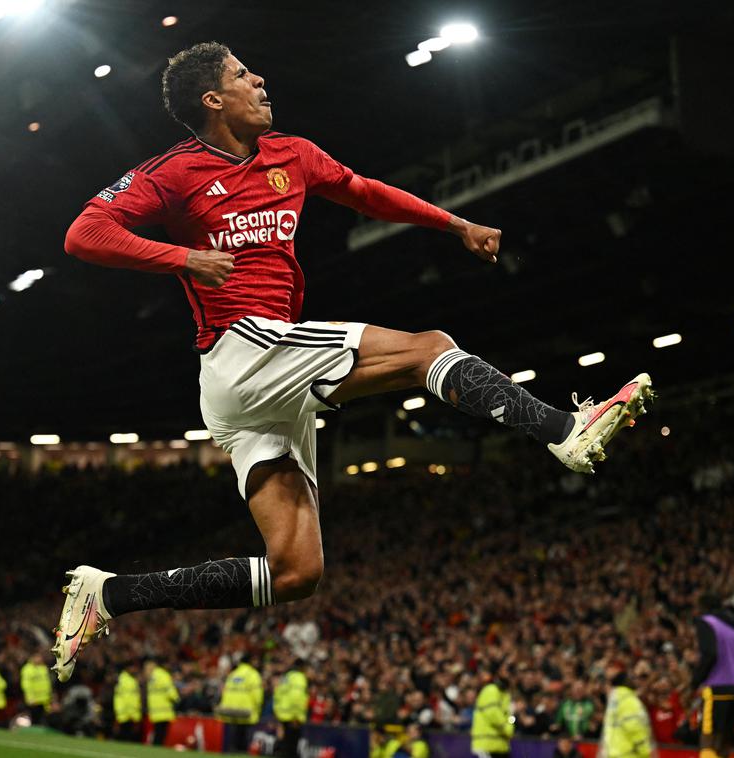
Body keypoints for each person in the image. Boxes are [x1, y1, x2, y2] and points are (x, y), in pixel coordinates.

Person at [50, 41, 653, 679]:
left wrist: (454, 225)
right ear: (213, 100)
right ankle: (564, 430)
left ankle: (110, 594)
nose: (259, 79)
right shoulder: (173, 172)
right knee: (430, 348)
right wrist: (184, 257)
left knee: (295, 573)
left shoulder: (292, 154)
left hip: (255, 386)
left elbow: (364, 192)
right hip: (243, 348)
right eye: (240, 75)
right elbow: (83, 234)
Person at [691, 594, 734, 758]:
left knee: (708, 738)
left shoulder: (706, 622)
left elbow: (710, 654)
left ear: (702, 608)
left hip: (718, 687)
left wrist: (695, 682)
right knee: (724, 742)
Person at [601, 668, 653, 758]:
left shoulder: (615, 699)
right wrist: (645, 752)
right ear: (625, 681)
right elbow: (635, 728)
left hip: (614, 753)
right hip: (629, 754)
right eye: (632, 678)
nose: (635, 680)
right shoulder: (628, 700)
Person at [218, 656, 264, 753]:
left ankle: (230, 752)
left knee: (232, 737)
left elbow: (225, 691)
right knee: (245, 738)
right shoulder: (253, 674)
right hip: (246, 710)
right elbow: (257, 694)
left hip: (230, 709)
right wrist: (259, 707)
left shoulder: (233, 674)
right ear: (250, 662)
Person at [472, 670, 515, 758]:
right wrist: (508, 728)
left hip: (501, 746)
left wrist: (511, 724)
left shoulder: (506, 695)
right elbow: (493, 713)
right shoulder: (490, 690)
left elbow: (510, 716)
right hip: (486, 745)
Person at [274, 661, 310, 758]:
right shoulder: (299, 678)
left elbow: (277, 694)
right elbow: (297, 697)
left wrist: (278, 712)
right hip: (293, 715)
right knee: (292, 744)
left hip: (283, 713)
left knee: (284, 741)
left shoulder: (286, 677)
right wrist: (296, 716)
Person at [145, 656, 179, 745]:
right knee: (161, 734)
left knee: (157, 733)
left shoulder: (153, 675)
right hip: (164, 710)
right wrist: (177, 699)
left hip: (155, 709)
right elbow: (169, 690)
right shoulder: (164, 675)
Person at [114, 661, 143, 742]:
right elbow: (124, 698)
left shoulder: (131, 679)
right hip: (126, 713)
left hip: (130, 713)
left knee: (129, 738)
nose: (134, 669)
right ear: (128, 668)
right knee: (124, 737)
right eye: (133, 667)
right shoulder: (124, 680)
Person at [21, 653, 53, 725]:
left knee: (42, 719)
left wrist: (50, 696)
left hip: (44, 699)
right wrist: (30, 698)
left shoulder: (43, 668)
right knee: (34, 719)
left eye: (40, 657)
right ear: (32, 658)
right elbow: (26, 685)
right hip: (34, 699)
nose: (40, 659)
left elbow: (47, 683)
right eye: (38, 657)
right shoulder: (27, 669)